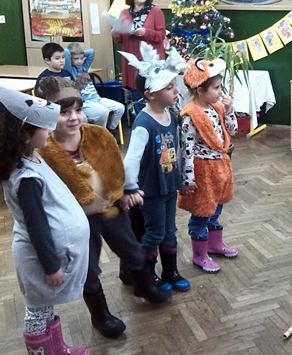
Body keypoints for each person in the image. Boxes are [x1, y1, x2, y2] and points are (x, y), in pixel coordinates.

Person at [36, 77, 170, 340]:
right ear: (49, 114)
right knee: (88, 268)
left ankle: (143, 286)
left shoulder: (98, 135)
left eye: (77, 110)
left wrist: (124, 193)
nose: (73, 118)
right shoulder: (44, 150)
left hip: (110, 208)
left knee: (132, 249)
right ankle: (100, 315)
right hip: (78, 221)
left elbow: (114, 166)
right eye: (64, 112)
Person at [0, 85, 90, 355]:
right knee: (37, 310)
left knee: (43, 307)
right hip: (39, 260)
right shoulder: (26, 178)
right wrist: (51, 266)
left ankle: (56, 349)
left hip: (43, 256)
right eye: (43, 126)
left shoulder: (30, 157)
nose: (50, 129)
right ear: (24, 135)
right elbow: (37, 225)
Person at [120, 42, 190, 292]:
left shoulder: (171, 116)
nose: (175, 90)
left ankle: (170, 271)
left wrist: (180, 179)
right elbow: (131, 160)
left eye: (174, 85)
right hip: (150, 191)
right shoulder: (143, 124)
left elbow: (176, 151)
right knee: (154, 233)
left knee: (169, 231)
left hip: (168, 186)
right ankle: (146, 277)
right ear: (150, 93)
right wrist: (129, 187)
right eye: (169, 87)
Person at [178, 58, 238, 273]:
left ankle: (214, 245)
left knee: (216, 208)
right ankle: (199, 255)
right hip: (202, 171)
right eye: (216, 88)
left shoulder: (217, 107)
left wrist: (229, 110)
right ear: (200, 91)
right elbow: (186, 149)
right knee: (201, 212)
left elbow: (232, 130)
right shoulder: (190, 115)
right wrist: (188, 178)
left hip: (220, 169)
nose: (220, 92)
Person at [112, 0, 166, 89]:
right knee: (136, 93)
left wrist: (145, 32)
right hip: (132, 63)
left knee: (152, 92)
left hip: (151, 62)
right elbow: (119, 39)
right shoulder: (124, 13)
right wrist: (115, 32)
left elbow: (161, 35)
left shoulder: (155, 11)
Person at [64, 42, 125, 132]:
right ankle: (100, 133)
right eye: (76, 59)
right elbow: (65, 52)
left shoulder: (84, 67)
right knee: (103, 112)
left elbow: (91, 52)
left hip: (97, 99)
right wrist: (72, 53)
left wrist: (79, 53)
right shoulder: (69, 70)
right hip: (86, 101)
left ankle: (110, 129)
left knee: (120, 108)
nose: (79, 61)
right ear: (70, 59)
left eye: (81, 58)